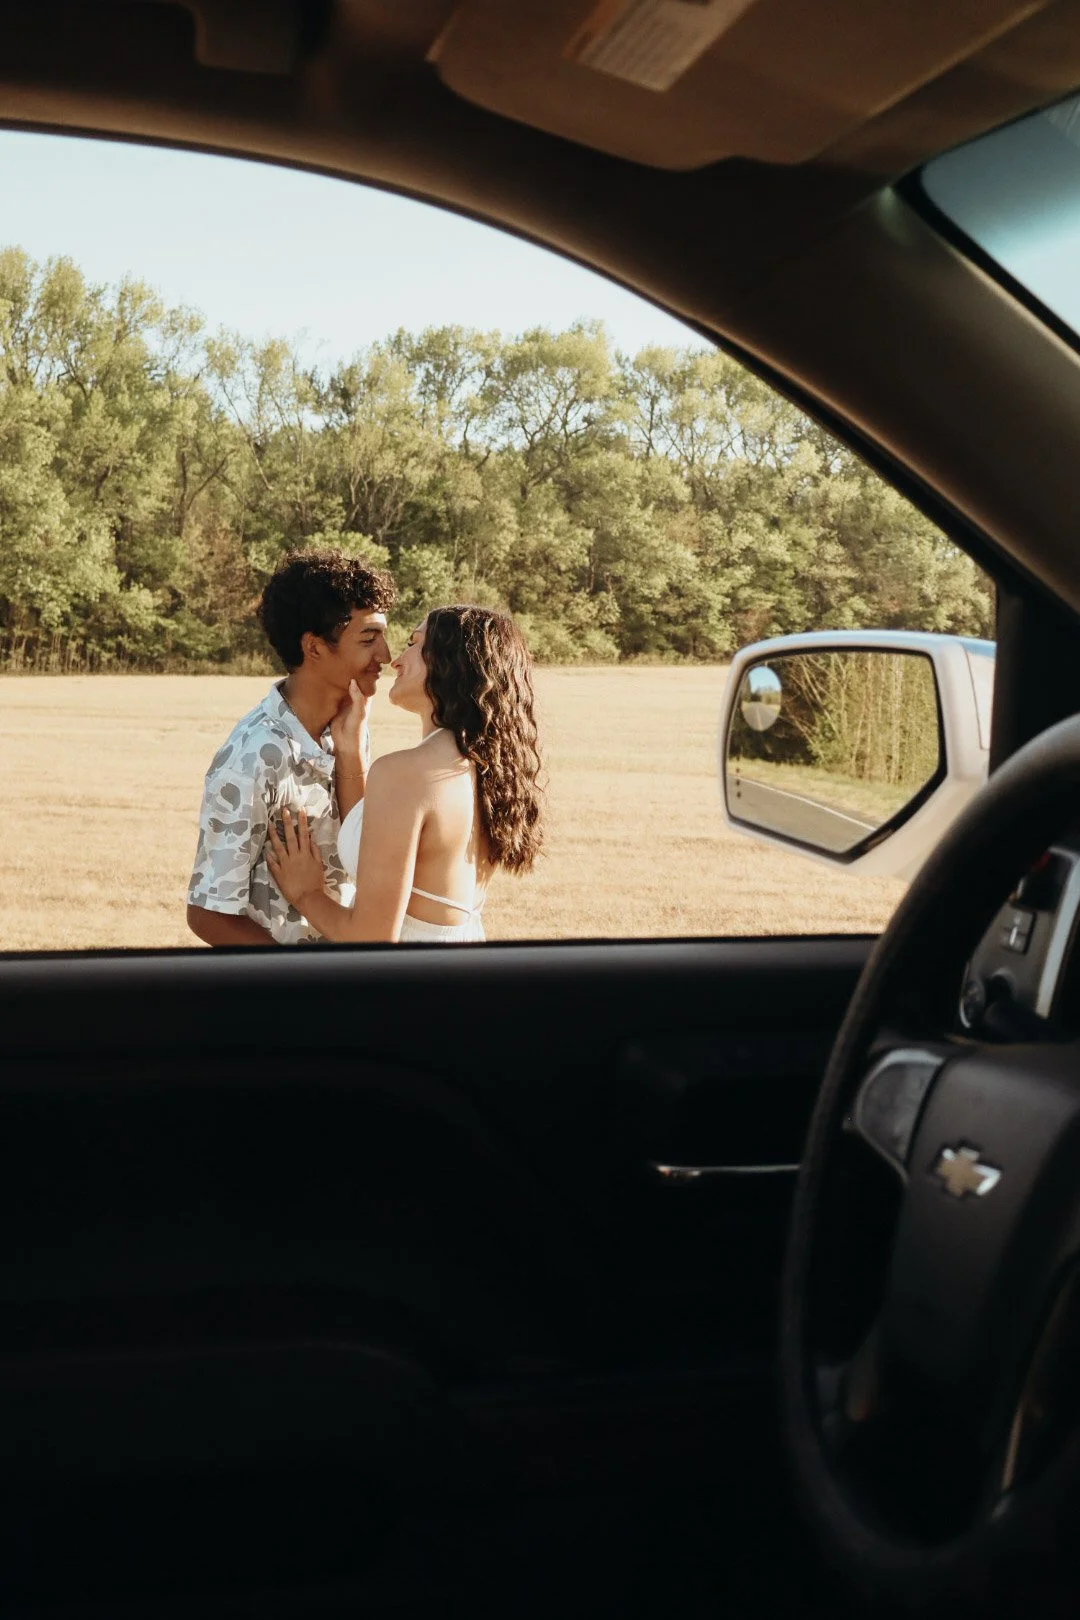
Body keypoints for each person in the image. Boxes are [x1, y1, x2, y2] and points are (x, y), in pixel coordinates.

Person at [266, 604, 543, 943]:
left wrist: (307, 894)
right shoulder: (483, 765)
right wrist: (350, 750)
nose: (396, 660)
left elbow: (370, 939)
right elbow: (379, 837)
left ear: (451, 662)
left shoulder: (407, 773)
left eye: (414, 644)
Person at [186, 548, 395, 946]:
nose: (385, 655)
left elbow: (362, 857)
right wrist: (299, 979)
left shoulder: (351, 728)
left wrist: (351, 754)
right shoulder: (253, 756)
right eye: (369, 639)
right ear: (314, 647)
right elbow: (207, 914)